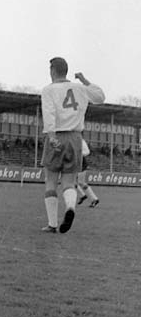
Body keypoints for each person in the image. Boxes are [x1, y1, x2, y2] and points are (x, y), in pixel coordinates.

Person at [40, 58, 105, 234]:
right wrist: (84, 80)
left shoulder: (49, 90)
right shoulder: (80, 88)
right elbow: (100, 97)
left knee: (51, 181)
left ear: (53, 70)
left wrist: (51, 136)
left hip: (57, 135)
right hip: (76, 138)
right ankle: (70, 207)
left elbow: (49, 113)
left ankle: (52, 224)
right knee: (69, 182)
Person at [76, 137, 100, 208]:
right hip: (74, 162)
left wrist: (79, 153)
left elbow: (87, 152)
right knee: (72, 181)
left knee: (80, 182)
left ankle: (94, 199)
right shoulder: (71, 138)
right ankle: (83, 195)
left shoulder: (80, 140)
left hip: (81, 163)